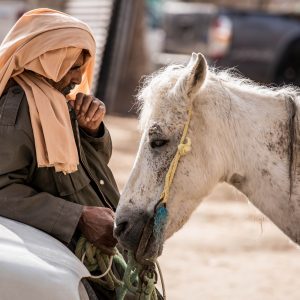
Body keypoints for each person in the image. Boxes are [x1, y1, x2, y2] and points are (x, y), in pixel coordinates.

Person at [0, 8, 120, 299]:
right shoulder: (18, 110)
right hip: (70, 261)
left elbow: (89, 168)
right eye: (73, 67)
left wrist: (92, 132)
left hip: (104, 259)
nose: (79, 79)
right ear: (45, 57)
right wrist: (77, 217)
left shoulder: (53, 100)